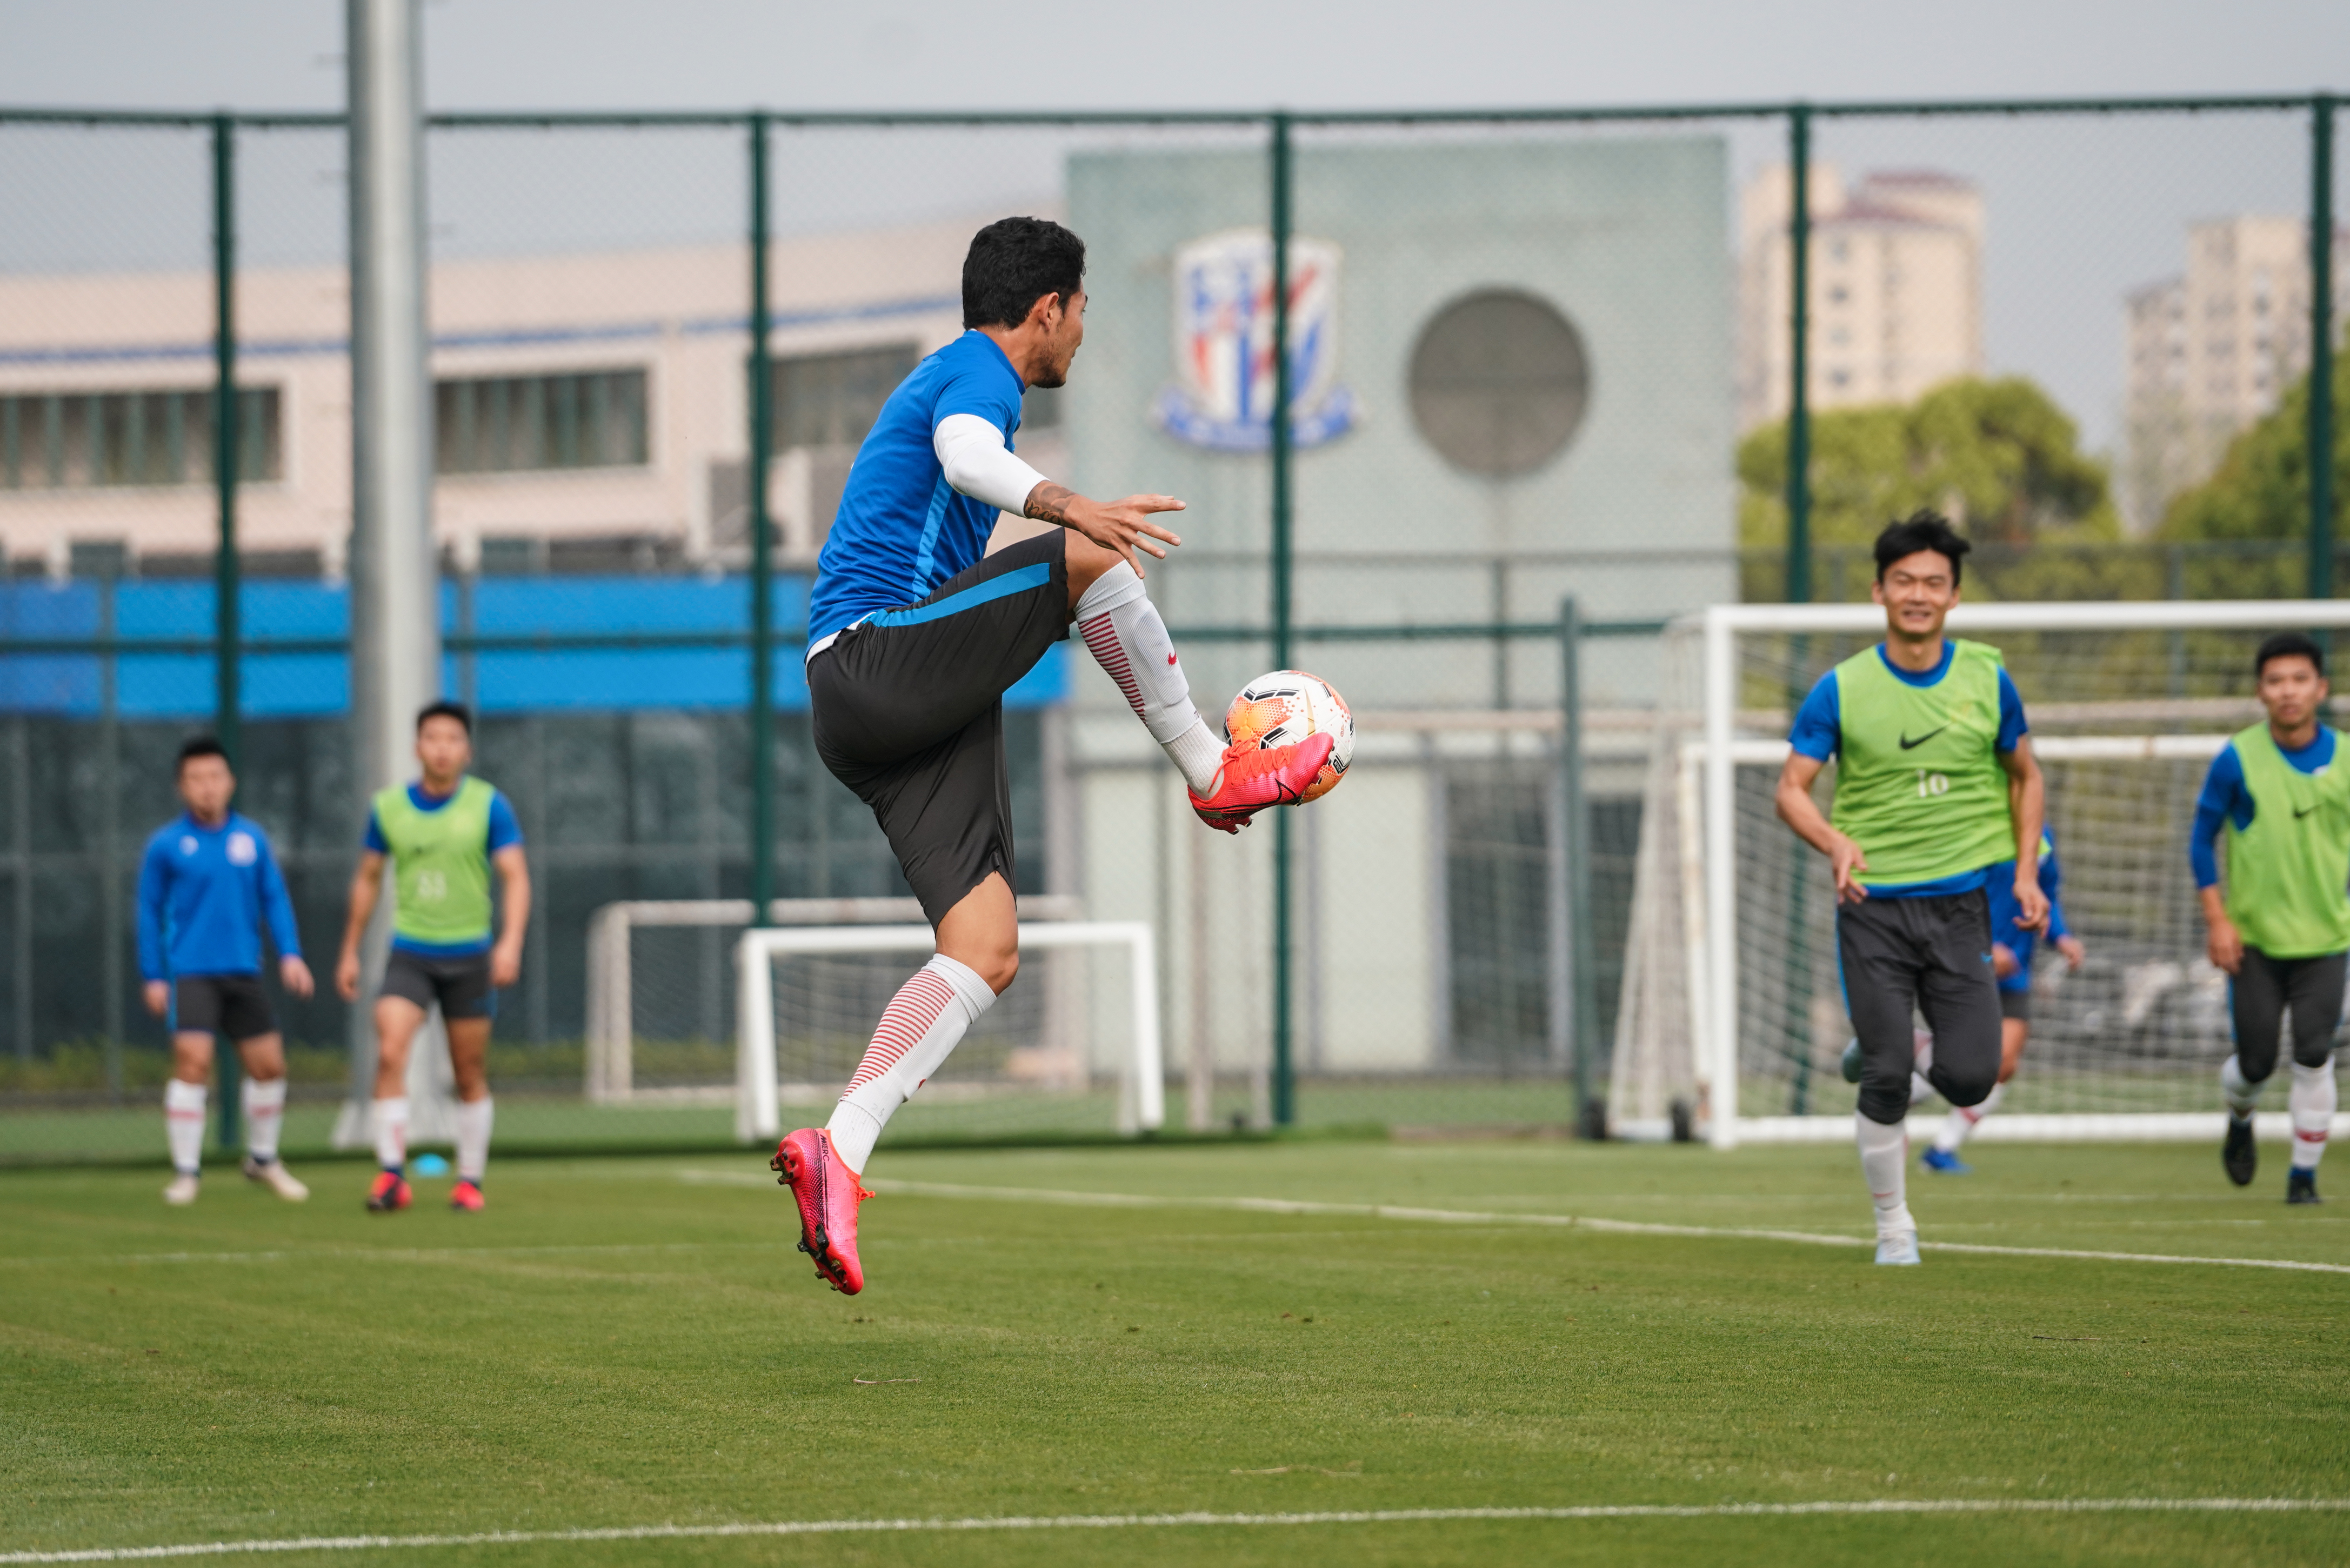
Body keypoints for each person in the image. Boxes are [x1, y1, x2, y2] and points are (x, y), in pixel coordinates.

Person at [772, 216, 1333, 1295]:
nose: (1081, 334)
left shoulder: (976, 375)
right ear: (1048, 311)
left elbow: (964, 486)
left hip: (885, 703)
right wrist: (1070, 505)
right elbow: (967, 457)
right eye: (1080, 314)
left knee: (982, 948)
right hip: (873, 657)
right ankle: (1211, 769)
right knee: (1086, 555)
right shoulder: (972, 371)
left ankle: (835, 1152)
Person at [1774, 510, 2048, 1265]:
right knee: (1892, 1075)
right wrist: (1833, 840)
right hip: (1873, 908)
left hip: (1961, 909)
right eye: (1904, 581)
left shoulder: (1988, 679)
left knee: (1972, 1073)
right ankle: (1894, 1224)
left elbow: (2027, 777)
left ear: (1954, 596)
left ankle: (1881, 1045)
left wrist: (2024, 873)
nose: (1918, 594)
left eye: (1934, 582)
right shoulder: (1841, 688)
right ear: (1879, 591)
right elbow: (1791, 790)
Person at [334, 701, 530, 1214]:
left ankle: (470, 1180)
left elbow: (516, 876)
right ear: (417, 746)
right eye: (433, 738)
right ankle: (392, 1176)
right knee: (391, 1050)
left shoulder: (490, 805)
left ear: (466, 749)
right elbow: (368, 878)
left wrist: (509, 943)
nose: (442, 748)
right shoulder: (388, 808)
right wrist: (349, 951)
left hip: (470, 956)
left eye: (453, 739)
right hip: (411, 953)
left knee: (468, 1071)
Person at [2192, 631, 2347, 1204]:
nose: (2289, 691)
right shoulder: (2237, 759)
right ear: (2261, 691)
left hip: (2327, 938)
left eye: (2300, 680)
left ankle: (2303, 1178)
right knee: (2255, 1064)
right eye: (2276, 680)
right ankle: (2239, 1116)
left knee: (2312, 1052)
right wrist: (2217, 919)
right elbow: (2200, 840)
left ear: (2320, 688)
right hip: (2253, 942)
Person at [138, 736, 316, 1205]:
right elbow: (147, 910)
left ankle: (262, 1159)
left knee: (269, 1066)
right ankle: (186, 1172)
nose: (207, 788)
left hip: (244, 971)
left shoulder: (252, 838)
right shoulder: (166, 845)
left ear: (230, 782)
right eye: (196, 779)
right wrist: (154, 974)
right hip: (191, 973)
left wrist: (291, 953)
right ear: (182, 787)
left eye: (215, 777)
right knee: (193, 1065)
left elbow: (274, 898)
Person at [1913, 831, 2085, 1173]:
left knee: (2004, 1063)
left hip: (2014, 973)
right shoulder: (1976, 823)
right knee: (1962, 1060)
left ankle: (1942, 1148)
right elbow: (1944, 898)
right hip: (1964, 963)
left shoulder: (2042, 836)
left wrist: (2062, 937)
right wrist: (1984, 946)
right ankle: (1902, 1078)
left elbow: (2047, 894)